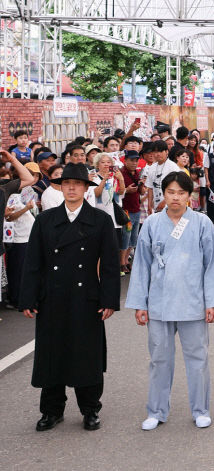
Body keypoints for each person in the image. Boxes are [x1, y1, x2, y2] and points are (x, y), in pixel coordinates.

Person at [19, 163, 120, 432]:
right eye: (66, 183)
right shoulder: (45, 220)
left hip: (86, 296)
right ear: (60, 187)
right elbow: (33, 263)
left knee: (87, 355)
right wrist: (28, 298)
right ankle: (52, 410)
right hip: (52, 296)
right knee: (53, 354)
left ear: (86, 188)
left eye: (77, 183)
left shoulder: (100, 220)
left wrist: (109, 299)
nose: (71, 188)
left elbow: (110, 265)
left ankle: (90, 409)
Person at [126, 172, 214, 431]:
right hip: (159, 303)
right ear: (164, 193)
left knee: (198, 358)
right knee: (159, 359)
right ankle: (156, 410)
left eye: (182, 192)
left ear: (190, 195)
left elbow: (212, 264)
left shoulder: (202, 223)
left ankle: (200, 409)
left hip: (193, 301)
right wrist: (140, 304)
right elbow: (142, 266)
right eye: (171, 192)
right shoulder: (152, 224)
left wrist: (212, 301)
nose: (176, 197)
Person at [4, 162, 40, 307]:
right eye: (31, 174)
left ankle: (26, 298)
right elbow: (9, 217)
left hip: (30, 236)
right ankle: (16, 299)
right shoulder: (13, 194)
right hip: (18, 238)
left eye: (36, 175)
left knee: (28, 270)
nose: (34, 178)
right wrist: (26, 208)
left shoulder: (31, 192)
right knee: (17, 271)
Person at [120, 151, 144, 274]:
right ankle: (122, 262)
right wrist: (126, 190)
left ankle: (126, 260)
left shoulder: (137, 173)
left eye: (136, 160)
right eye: (132, 160)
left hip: (136, 209)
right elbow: (117, 191)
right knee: (126, 236)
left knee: (133, 238)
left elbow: (142, 192)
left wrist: (141, 186)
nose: (134, 163)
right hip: (126, 211)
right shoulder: (121, 173)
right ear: (125, 161)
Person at [145, 140, 179, 215]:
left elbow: (177, 188)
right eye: (155, 152)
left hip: (171, 206)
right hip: (156, 208)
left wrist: (164, 202)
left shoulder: (173, 167)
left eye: (160, 151)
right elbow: (150, 188)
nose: (157, 154)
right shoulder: (152, 168)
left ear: (166, 152)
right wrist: (149, 205)